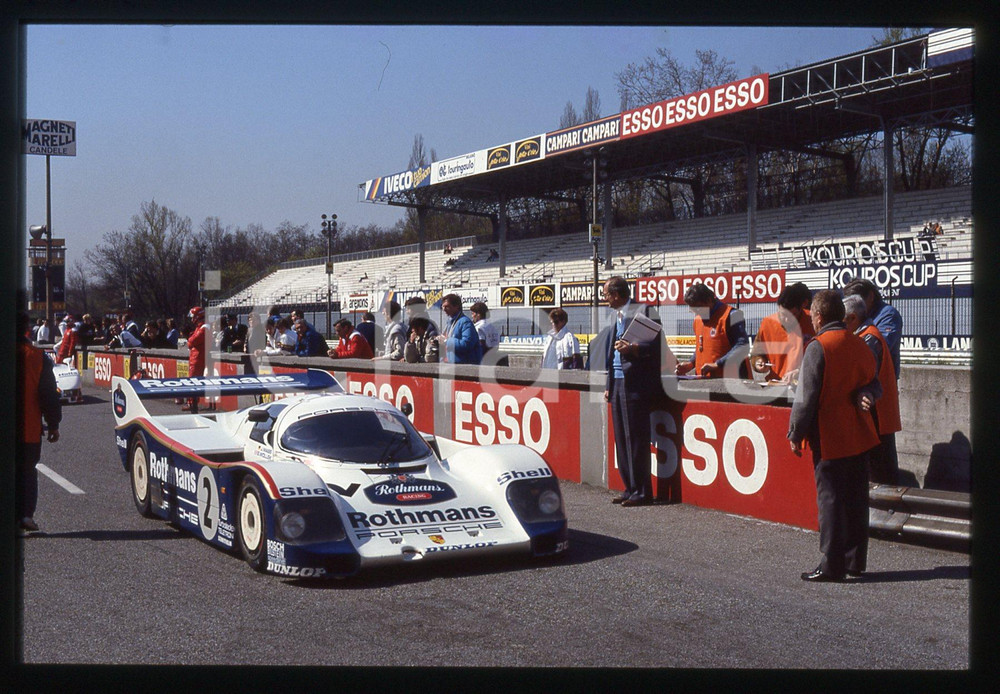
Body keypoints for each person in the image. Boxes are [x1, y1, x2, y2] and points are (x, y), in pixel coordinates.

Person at [788, 289, 882, 583]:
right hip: (860, 433)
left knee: (830, 499)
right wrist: (867, 394)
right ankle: (855, 561)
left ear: (817, 317)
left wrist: (795, 432)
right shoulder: (860, 342)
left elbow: (806, 397)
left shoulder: (819, 346)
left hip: (830, 435)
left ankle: (831, 564)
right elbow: (875, 383)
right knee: (856, 499)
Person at [603, 276, 665, 507]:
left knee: (636, 439)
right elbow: (611, 355)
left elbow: (656, 344)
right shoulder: (616, 316)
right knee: (621, 438)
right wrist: (608, 385)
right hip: (618, 382)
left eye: (606, 295)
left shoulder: (645, 310)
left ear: (616, 294)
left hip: (636, 383)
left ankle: (642, 490)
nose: (605, 299)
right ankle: (630, 487)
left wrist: (633, 348)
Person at [843, 294, 902, 485]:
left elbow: (861, 376)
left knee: (880, 470)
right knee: (881, 465)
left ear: (853, 318)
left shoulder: (868, 339)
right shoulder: (867, 335)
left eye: (842, 320)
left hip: (876, 411)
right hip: (877, 409)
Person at [17, 311, 62, 532]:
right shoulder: (37, 357)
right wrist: (53, 424)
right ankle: (26, 515)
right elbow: (48, 394)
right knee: (27, 471)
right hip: (28, 428)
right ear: (27, 329)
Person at [675, 283, 750, 379]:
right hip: (704, 381)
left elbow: (742, 346)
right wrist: (691, 363)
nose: (697, 312)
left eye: (699, 308)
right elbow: (701, 348)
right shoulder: (697, 320)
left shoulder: (732, 315)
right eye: (693, 309)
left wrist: (718, 364)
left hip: (731, 380)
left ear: (709, 301)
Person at [750, 282, 815, 382]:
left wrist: (800, 372)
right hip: (776, 384)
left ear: (801, 308)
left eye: (792, 315)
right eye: (783, 314)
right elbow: (756, 353)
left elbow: (821, 357)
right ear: (778, 308)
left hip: (804, 384)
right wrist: (758, 362)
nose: (786, 319)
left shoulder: (813, 322)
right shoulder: (767, 324)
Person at [843, 278, 902, 379]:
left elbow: (878, 347)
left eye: (856, 301)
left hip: (882, 380)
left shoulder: (888, 315)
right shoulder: (857, 316)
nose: (852, 306)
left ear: (870, 296)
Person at [437, 293, 482, 365]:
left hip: (466, 366)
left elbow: (466, 345)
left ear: (456, 306)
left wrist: (446, 341)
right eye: (443, 306)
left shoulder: (465, 322)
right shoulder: (450, 322)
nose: (444, 309)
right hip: (453, 364)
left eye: (447, 306)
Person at [183, 307, 207, 412]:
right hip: (195, 358)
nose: (192, 319)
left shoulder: (204, 327)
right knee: (193, 381)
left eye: (193, 317)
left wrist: (190, 340)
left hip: (198, 359)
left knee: (193, 382)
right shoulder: (199, 327)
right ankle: (192, 403)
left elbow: (191, 341)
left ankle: (192, 404)